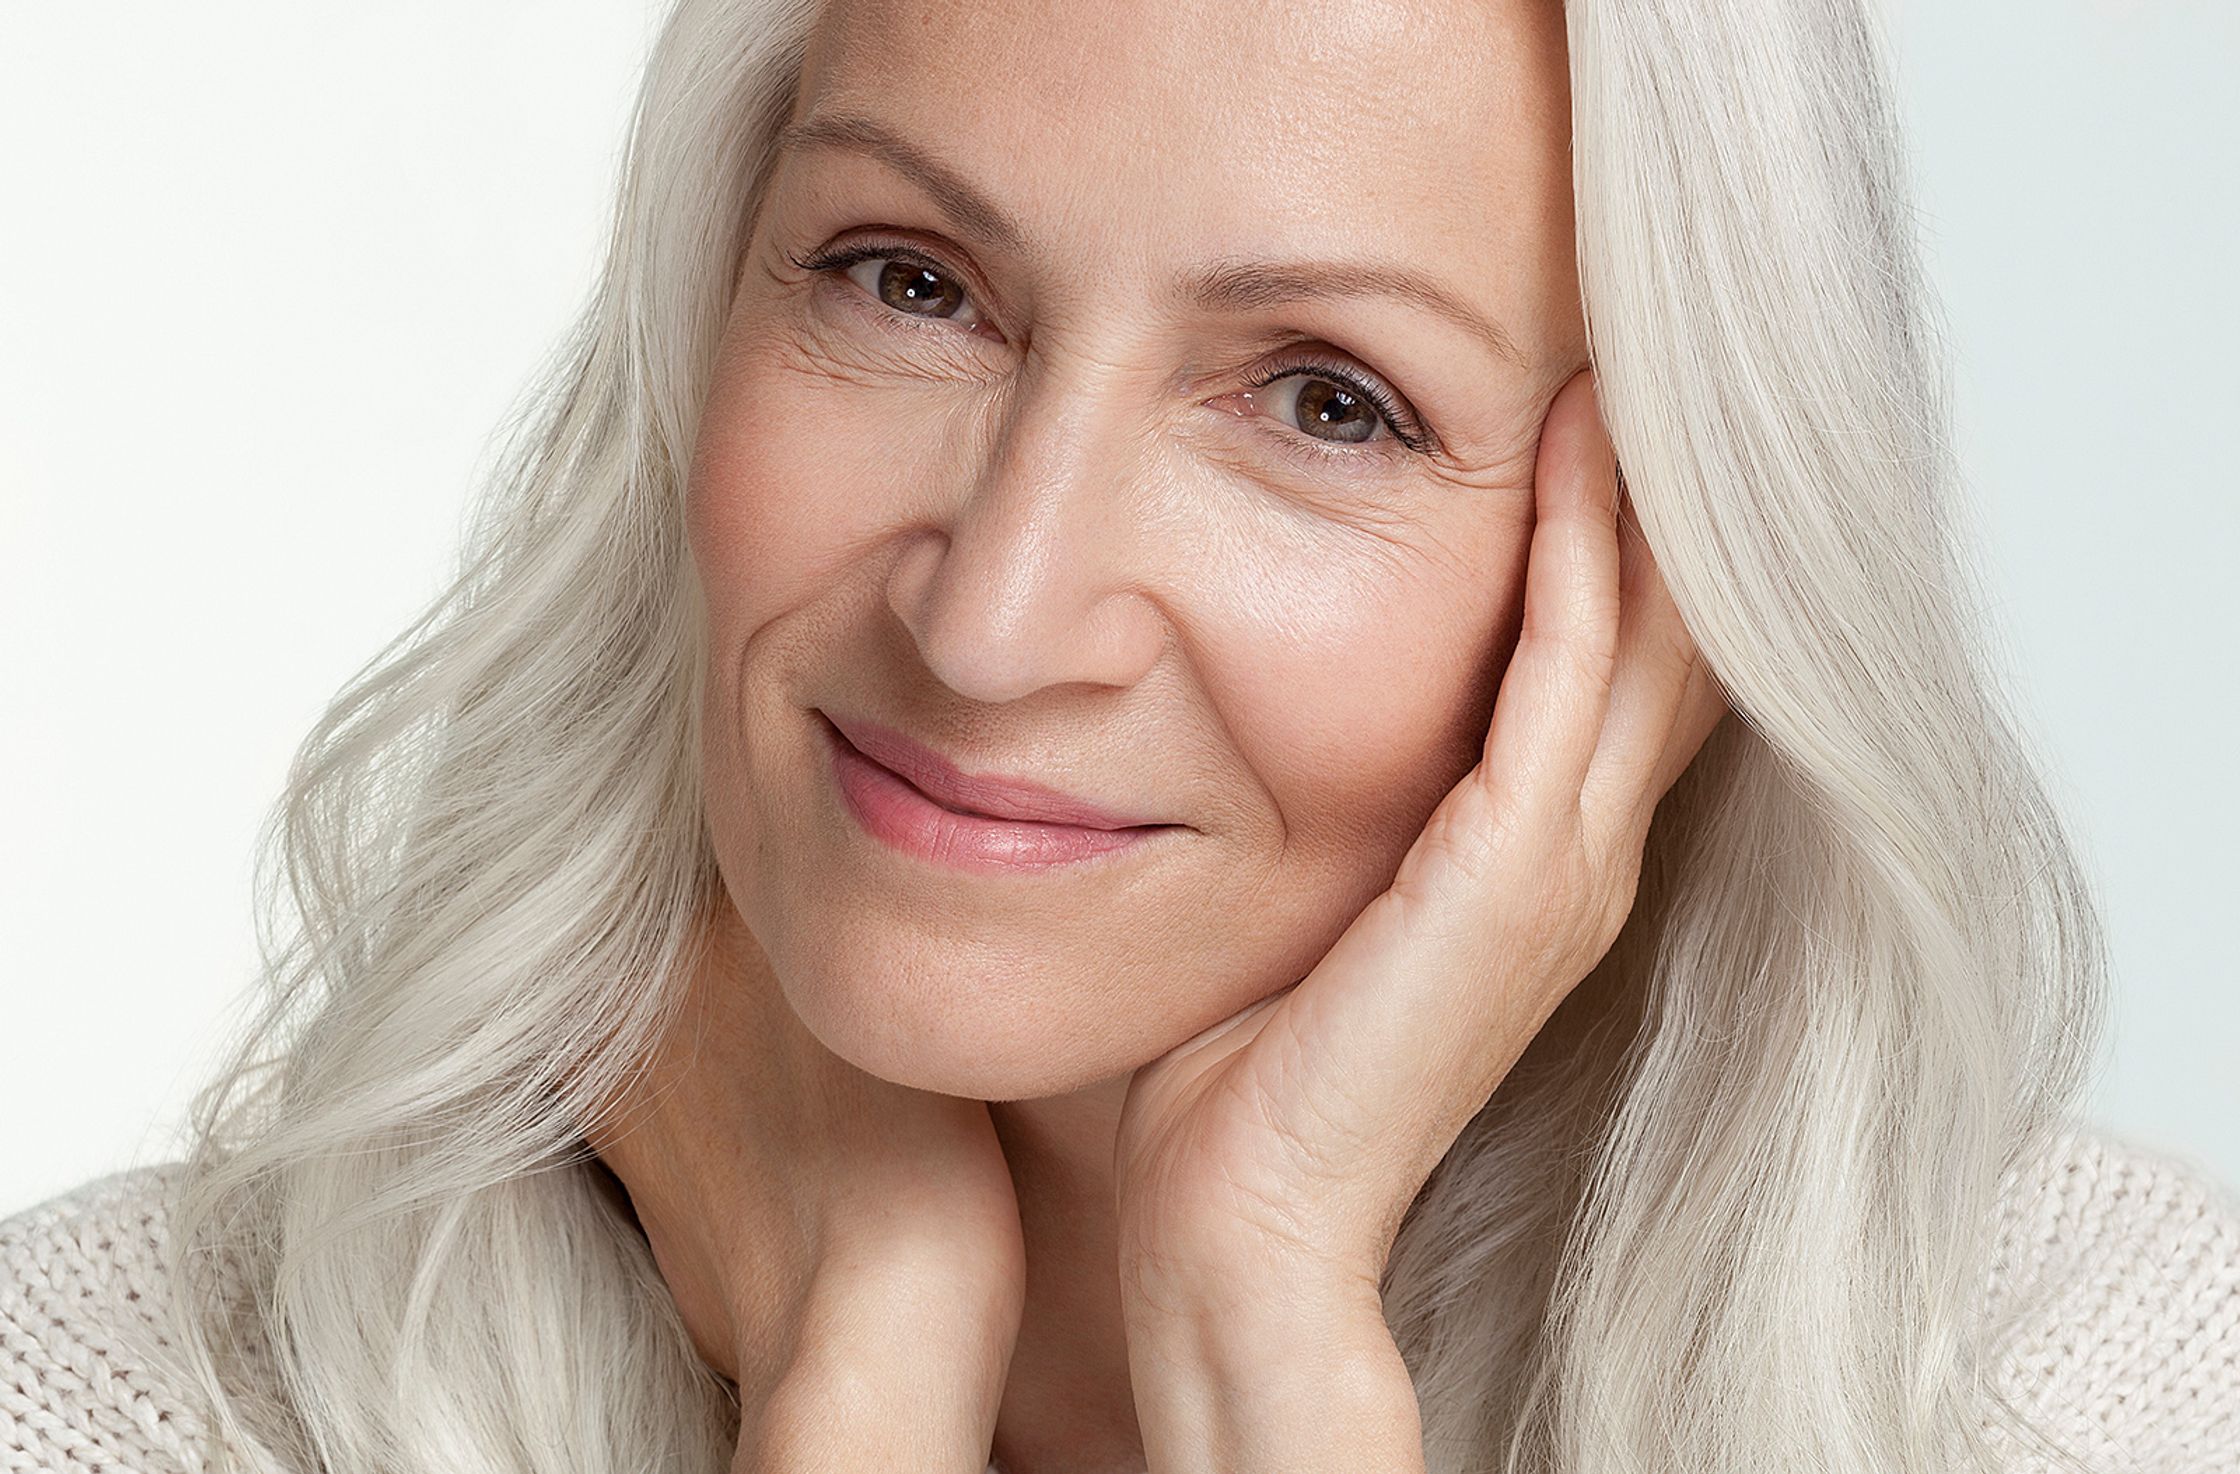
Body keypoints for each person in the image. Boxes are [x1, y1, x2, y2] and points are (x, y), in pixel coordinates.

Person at [6, 0, 2237, 1470]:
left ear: (1665, 590)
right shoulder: (133, 1393)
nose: (992, 617)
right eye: (907, 278)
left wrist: (1268, 1335)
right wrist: (857, 1368)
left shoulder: (2083, 1388)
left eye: (1324, 399)